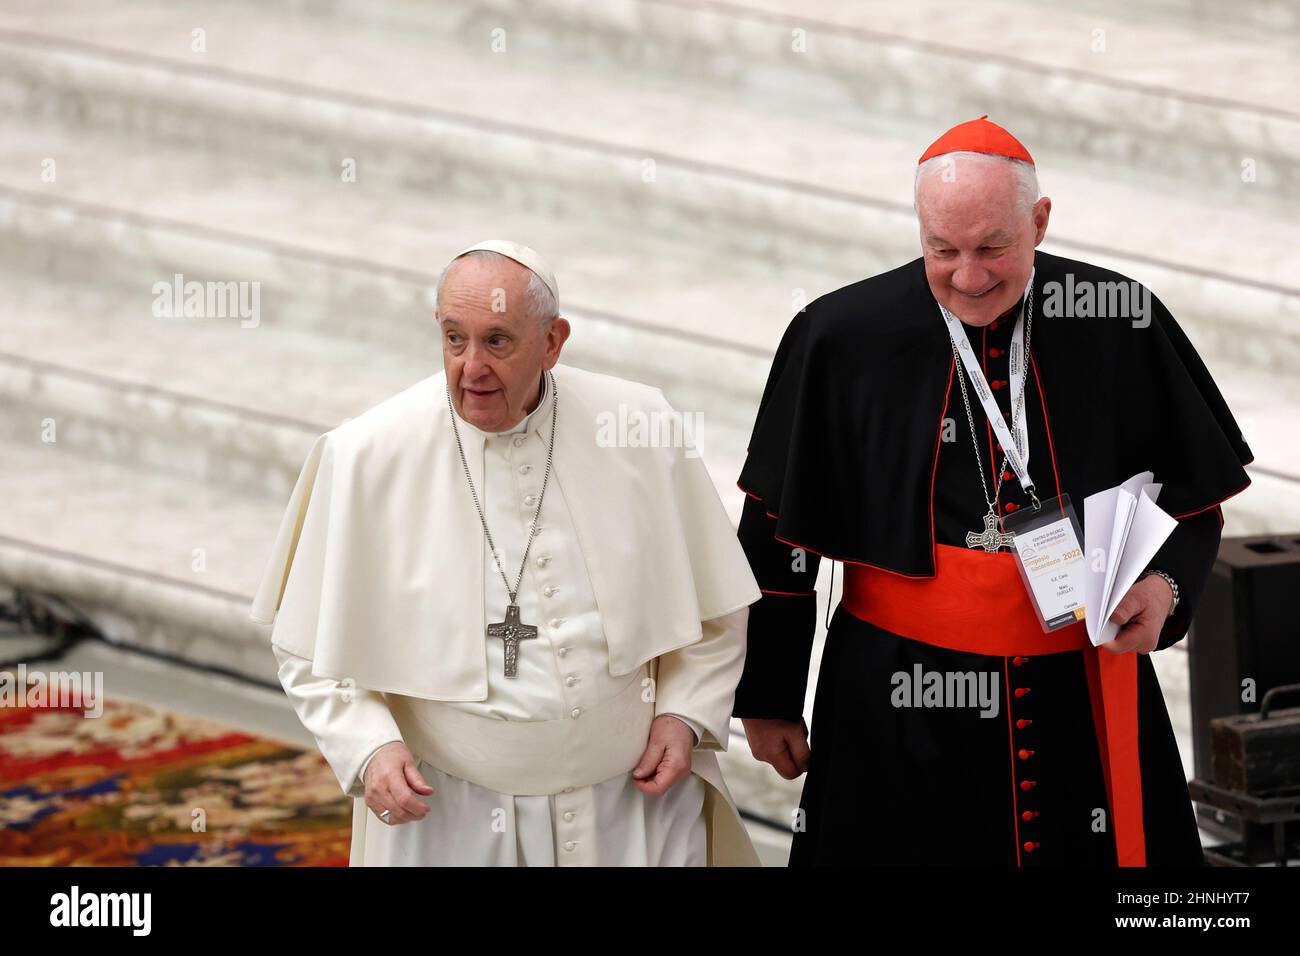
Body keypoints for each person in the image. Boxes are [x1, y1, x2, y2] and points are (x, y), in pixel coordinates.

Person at [734, 118, 1254, 866]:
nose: (968, 277)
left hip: (1077, 685)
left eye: (993, 248)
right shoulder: (840, 336)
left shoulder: (1116, 317)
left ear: (1039, 222)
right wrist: (770, 695)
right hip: (895, 696)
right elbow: (776, 532)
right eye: (942, 249)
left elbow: (1191, 500)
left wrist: (1168, 587)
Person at [251, 240, 761, 866]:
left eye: (498, 341)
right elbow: (307, 646)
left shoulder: (636, 426)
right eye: (453, 338)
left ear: (552, 342)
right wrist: (369, 746)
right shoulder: (367, 456)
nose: (471, 368)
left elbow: (714, 609)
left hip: (631, 807)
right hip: (454, 818)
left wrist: (684, 714)